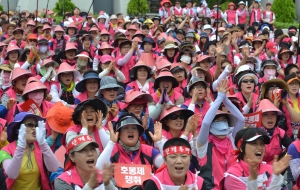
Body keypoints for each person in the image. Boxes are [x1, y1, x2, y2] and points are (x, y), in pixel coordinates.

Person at [197, 79, 245, 189]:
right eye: (218, 121)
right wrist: (219, 97)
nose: (222, 124)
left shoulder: (231, 140)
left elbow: (241, 119)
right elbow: (205, 123)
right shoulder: (203, 144)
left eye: (224, 120)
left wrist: (225, 98)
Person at [0, 112, 59, 189]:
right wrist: (21, 147)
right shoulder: (5, 151)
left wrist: (43, 143)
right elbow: (12, 174)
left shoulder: (40, 146)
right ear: (18, 129)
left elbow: (54, 168)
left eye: (36, 125)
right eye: (30, 124)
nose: (34, 128)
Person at [223, 128, 291, 189]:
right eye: (254, 144)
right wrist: (253, 179)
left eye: (262, 144)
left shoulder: (269, 169)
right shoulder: (233, 176)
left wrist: (276, 176)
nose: (260, 147)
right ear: (241, 148)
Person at [96, 113, 164, 172]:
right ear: (118, 134)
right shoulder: (113, 151)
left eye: (134, 128)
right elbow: (98, 169)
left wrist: (160, 143)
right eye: (126, 128)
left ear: (138, 133)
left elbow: (167, 165)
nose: (130, 131)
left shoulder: (149, 150)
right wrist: (111, 143)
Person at [255, 99, 293, 164]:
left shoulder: (281, 133)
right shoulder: (254, 133)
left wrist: (283, 159)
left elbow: (293, 147)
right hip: (257, 169)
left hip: (275, 170)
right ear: (259, 117)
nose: (270, 117)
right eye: (266, 114)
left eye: (273, 114)